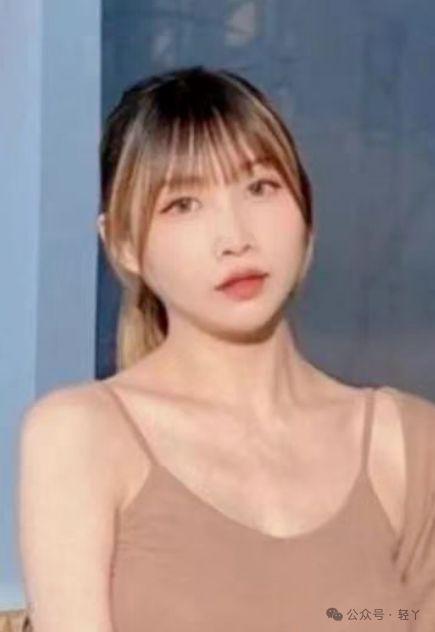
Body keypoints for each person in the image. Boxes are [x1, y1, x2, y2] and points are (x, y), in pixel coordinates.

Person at [18, 65, 435, 632]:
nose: (235, 237)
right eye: (183, 205)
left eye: (260, 187)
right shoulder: (83, 435)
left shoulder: (404, 444)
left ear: (305, 209)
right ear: (124, 245)